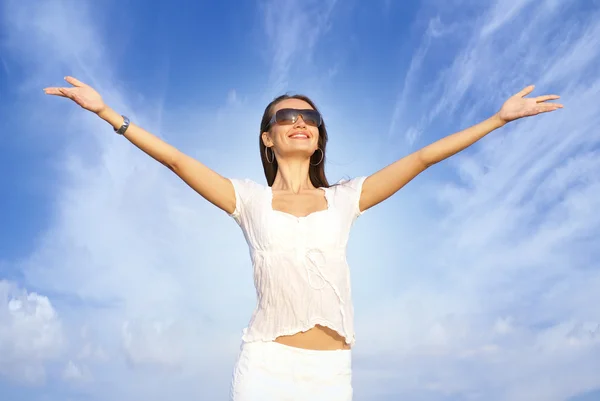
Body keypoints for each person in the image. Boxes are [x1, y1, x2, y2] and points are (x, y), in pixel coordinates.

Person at [44, 76, 563, 400]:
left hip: (331, 373)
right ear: (268, 137)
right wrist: (107, 112)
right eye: (285, 117)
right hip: (266, 366)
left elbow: (424, 157)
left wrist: (498, 119)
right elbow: (176, 159)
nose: (299, 122)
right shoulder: (246, 199)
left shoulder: (346, 197)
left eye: (309, 117)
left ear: (318, 136)